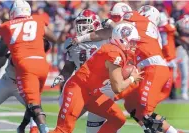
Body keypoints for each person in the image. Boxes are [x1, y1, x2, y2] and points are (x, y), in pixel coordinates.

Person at [71, 3, 182, 133]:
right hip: (145, 69)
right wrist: (82, 39)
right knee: (131, 106)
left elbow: (115, 29)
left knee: (145, 111)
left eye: (117, 16)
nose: (117, 19)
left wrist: (110, 22)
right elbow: (112, 32)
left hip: (152, 69)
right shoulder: (145, 30)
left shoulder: (135, 19)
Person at [50, 23, 143, 133]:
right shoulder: (114, 53)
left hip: (93, 93)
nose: (134, 45)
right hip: (78, 89)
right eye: (132, 41)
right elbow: (117, 87)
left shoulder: (116, 50)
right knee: (63, 130)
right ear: (122, 39)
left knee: (118, 119)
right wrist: (132, 78)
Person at [0, 0, 58, 132]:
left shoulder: (10, 29)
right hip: (8, 80)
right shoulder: (35, 24)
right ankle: (23, 127)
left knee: (34, 107)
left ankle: (27, 128)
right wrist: (8, 52)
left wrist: (8, 49)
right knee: (34, 105)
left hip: (24, 79)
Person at [51, 9, 116, 133]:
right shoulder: (72, 43)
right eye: (79, 22)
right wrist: (61, 76)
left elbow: (116, 30)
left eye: (85, 22)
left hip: (100, 89)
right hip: (82, 88)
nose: (81, 25)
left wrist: (110, 22)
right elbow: (69, 66)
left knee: (98, 128)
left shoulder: (104, 37)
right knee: (63, 127)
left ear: (95, 24)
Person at [0, 39, 51, 133]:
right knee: (35, 109)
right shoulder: (17, 43)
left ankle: (25, 128)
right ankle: (22, 127)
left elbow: (47, 43)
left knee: (36, 111)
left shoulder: (38, 50)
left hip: (25, 85)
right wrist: (5, 53)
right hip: (7, 81)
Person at [158, 11, 177, 100]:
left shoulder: (159, 28)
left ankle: (169, 93)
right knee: (170, 77)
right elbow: (173, 29)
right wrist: (171, 22)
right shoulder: (166, 27)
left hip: (163, 55)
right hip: (168, 56)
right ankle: (171, 94)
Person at [175, 15, 189, 100]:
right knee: (184, 71)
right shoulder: (180, 24)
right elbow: (179, 36)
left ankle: (184, 91)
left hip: (185, 50)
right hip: (181, 50)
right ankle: (183, 91)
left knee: (186, 72)